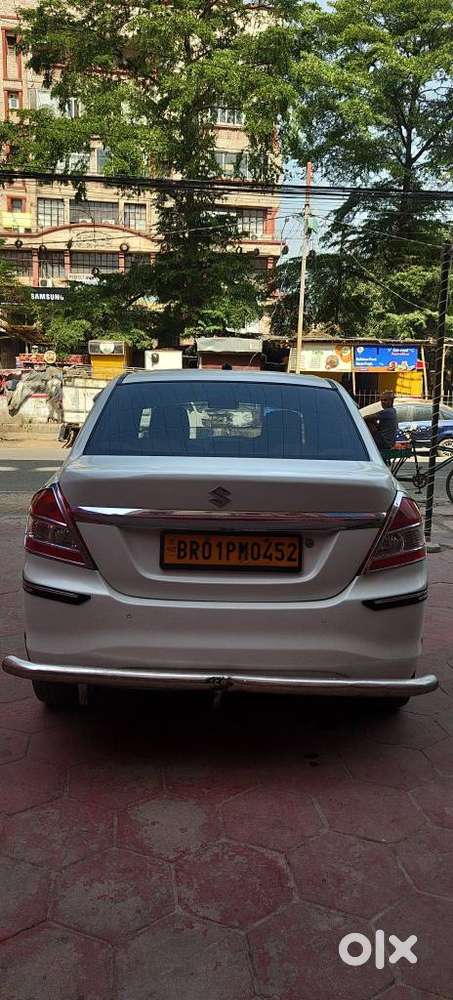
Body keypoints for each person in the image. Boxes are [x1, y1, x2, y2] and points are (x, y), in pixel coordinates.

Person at [365, 390, 399, 456]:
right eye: (382, 400)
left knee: (369, 421)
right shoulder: (392, 411)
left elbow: (367, 417)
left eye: (385, 400)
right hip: (387, 442)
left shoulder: (388, 412)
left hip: (384, 442)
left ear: (391, 401)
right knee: (372, 421)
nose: (383, 402)